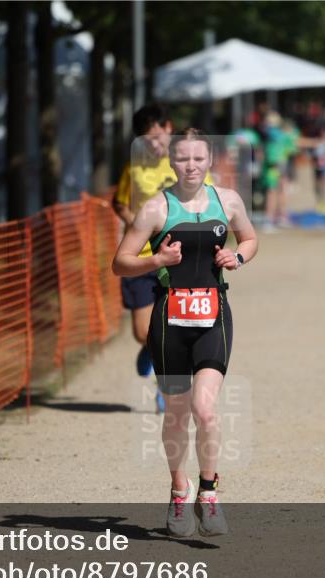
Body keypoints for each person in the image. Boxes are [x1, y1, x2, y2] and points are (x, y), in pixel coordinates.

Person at [112, 129, 258, 538]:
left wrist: (238, 256)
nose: (190, 166)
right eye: (182, 159)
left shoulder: (227, 200)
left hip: (213, 315)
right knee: (176, 411)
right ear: (171, 162)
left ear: (209, 159)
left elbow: (249, 237)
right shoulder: (155, 208)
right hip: (169, 322)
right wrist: (158, 258)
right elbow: (120, 262)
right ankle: (180, 489)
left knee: (205, 409)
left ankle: (208, 494)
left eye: (198, 159)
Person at [113, 104, 210, 412]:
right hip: (143, 256)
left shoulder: (185, 161)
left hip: (179, 258)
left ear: (169, 128)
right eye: (146, 140)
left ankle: (165, 387)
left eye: (156, 137)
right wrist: (134, 221)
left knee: (176, 329)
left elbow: (208, 201)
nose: (153, 145)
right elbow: (119, 203)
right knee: (144, 332)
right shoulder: (134, 165)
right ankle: (149, 347)